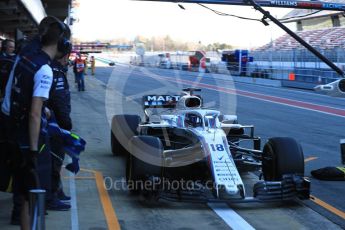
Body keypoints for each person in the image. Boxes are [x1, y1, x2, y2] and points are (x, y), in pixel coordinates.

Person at [1, 16, 71, 230]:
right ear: (62, 45)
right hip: (27, 137)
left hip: (9, 127)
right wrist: (32, 152)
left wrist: (43, 109)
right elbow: (33, 113)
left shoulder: (24, 57)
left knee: (23, 191)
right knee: (35, 194)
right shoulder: (45, 69)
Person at [47, 54, 72, 211]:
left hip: (54, 122)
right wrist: (66, 124)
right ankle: (51, 197)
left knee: (56, 160)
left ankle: (57, 190)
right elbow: (59, 100)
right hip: (56, 124)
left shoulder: (52, 68)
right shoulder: (56, 71)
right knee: (55, 160)